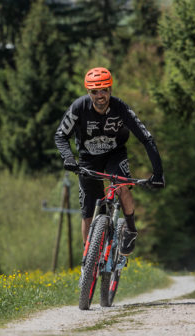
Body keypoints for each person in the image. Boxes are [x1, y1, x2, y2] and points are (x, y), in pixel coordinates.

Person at [55, 67, 164, 256]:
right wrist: (69, 158)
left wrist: (158, 173)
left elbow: (146, 138)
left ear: (110, 90)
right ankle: (88, 259)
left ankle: (130, 229)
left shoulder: (121, 108)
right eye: (94, 91)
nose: (100, 96)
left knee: (121, 185)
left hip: (115, 154)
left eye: (104, 90)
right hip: (88, 158)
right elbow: (60, 135)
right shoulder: (79, 107)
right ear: (88, 92)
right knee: (89, 207)